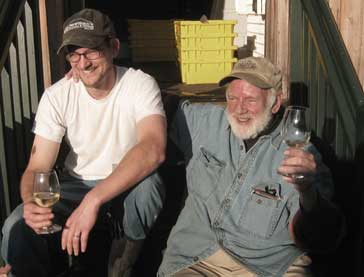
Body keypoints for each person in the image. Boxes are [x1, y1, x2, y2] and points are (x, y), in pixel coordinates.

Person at [0, 8, 166, 277]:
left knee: (148, 187)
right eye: (74, 54)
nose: (83, 62)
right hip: (76, 184)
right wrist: (31, 202)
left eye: (91, 51)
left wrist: (94, 200)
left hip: (126, 184)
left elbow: (153, 149)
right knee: (16, 224)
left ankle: (124, 262)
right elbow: (38, 165)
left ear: (113, 47)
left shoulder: (139, 84)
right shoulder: (57, 95)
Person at [158, 57, 345, 276]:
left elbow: (323, 239)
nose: (239, 109)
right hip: (196, 258)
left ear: (275, 103)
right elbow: (154, 101)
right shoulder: (207, 122)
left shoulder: (301, 155)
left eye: (250, 100)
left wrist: (307, 192)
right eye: (232, 97)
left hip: (269, 267)